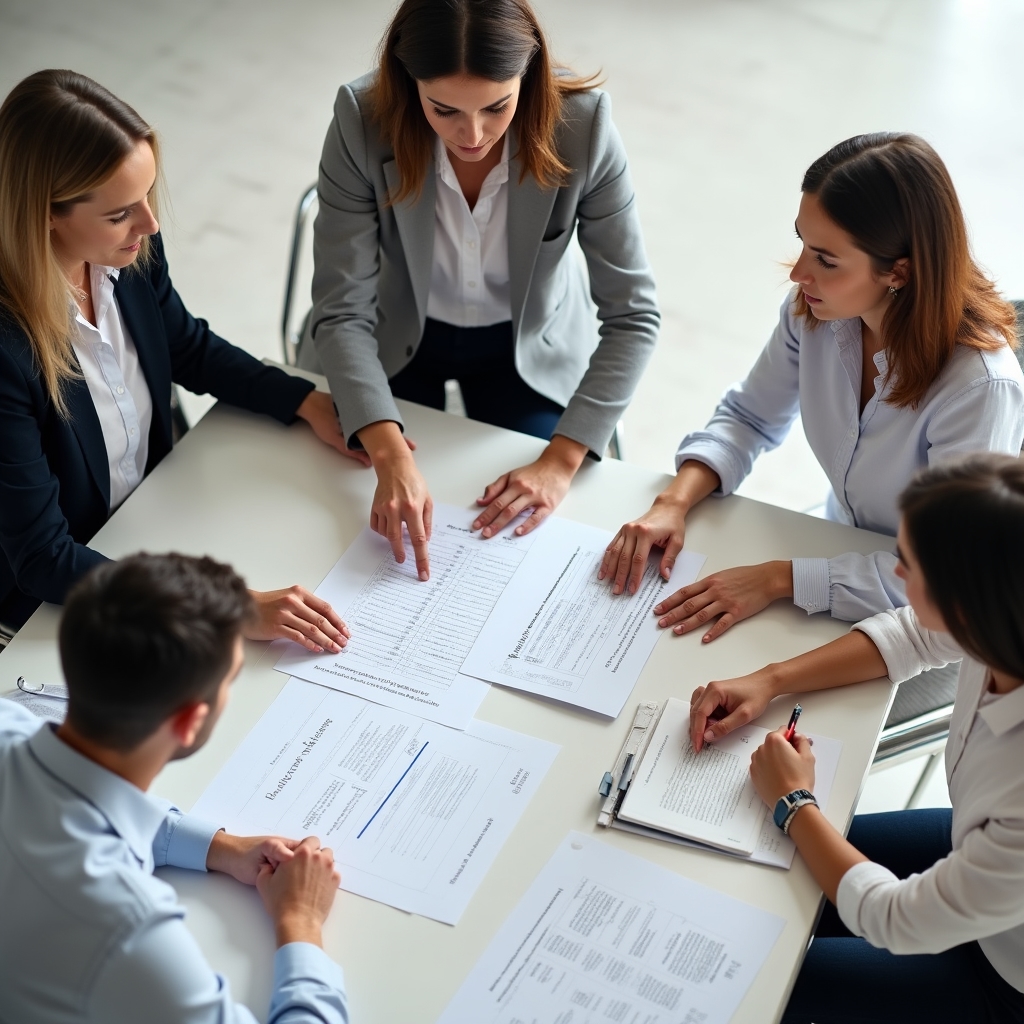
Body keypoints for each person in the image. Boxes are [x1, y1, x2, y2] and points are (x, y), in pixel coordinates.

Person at [601, 133, 1024, 642]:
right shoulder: (817, 313)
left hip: (925, 621)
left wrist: (780, 578)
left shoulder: (978, 388)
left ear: (899, 271)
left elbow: (945, 574)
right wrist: (673, 501)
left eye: (826, 260)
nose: (799, 273)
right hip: (837, 551)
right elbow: (750, 417)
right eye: (802, 241)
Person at [0, 69, 358, 650]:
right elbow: (42, 557)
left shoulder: (127, 248)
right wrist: (223, 606)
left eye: (146, 194)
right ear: (46, 213)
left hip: (157, 510)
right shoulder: (7, 349)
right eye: (120, 212)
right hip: (65, 591)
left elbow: (185, 346)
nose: (150, 223)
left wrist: (302, 399)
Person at [309, 0, 659, 580]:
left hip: (526, 353)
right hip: (392, 337)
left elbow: (635, 316)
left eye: (497, 107)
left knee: (516, 542)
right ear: (406, 82)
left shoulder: (584, 128)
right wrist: (389, 453)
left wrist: (560, 461)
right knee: (343, 519)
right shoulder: (361, 117)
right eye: (442, 109)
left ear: (530, 74)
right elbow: (342, 311)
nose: (472, 135)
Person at [688, 454, 1024, 1023]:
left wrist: (795, 803)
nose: (895, 574)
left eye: (909, 565)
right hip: (980, 852)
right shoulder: (1003, 618)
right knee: (764, 880)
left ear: (965, 604)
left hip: (1004, 979)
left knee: (746, 979)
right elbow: (913, 635)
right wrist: (769, 680)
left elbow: (894, 919)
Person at [0, 552, 349, 1023]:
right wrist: (301, 921)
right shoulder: (126, 930)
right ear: (189, 722)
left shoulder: (10, 721)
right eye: (231, 679)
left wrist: (220, 848)